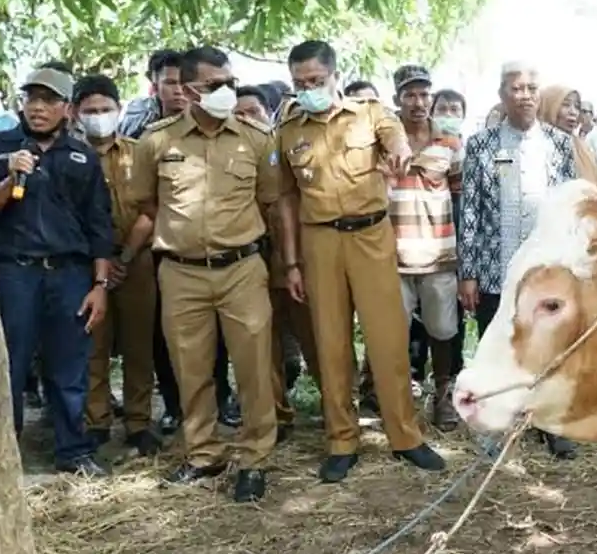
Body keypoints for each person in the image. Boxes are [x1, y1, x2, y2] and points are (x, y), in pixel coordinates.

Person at [277, 40, 444, 483]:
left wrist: (399, 153)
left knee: (387, 340)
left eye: (316, 80)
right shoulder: (290, 127)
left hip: (370, 236)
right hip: (319, 242)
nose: (308, 90)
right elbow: (287, 200)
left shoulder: (370, 114)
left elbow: (397, 139)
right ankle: (341, 440)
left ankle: (405, 437)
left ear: (334, 75)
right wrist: (292, 263)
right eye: (300, 83)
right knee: (331, 344)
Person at [132, 46, 280, 502]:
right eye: (215, 86)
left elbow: (269, 201)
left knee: (254, 366)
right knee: (189, 367)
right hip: (180, 272)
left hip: (241, 268)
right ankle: (203, 454)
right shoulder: (156, 141)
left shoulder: (256, 139)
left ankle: (255, 458)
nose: (226, 92)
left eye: (230, 84)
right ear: (189, 88)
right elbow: (146, 202)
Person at [0, 67, 113, 475]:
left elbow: (99, 223)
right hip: (15, 274)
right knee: (10, 365)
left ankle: (74, 451)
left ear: (66, 109)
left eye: (48, 100)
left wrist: (100, 283)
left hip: (69, 275)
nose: (37, 107)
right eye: (31, 98)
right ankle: (4, 455)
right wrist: (9, 179)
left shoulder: (82, 156)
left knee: (69, 365)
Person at [458, 61, 579, 458]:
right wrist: (469, 273)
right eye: (516, 88)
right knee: (497, 345)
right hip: (496, 268)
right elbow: (471, 211)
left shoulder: (560, 144)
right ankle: (495, 424)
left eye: (531, 87)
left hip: (546, 272)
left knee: (551, 345)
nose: (525, 94)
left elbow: (568, 208)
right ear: (502, 96)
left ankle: (550, 423)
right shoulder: (481, 145)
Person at [72, 75, 162, 455]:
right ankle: (97, 421)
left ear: (119, 109)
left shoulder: (139, 152)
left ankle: (140, 423)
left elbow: (152, 208)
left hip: (136, 261)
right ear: (76, 114)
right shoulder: (68, 155)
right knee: (93, 344)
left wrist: (123, 258)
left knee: (139, 344)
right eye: (90, 111)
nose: (98, 117)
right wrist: (102, 262)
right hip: (86, 266)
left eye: (105, 109)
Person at [235, 84, 318, 441]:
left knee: (316, 340)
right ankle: (277, 416)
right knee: (264, 349)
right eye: (236, 113)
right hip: (252, 267)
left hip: (296, 263)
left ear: (268, 114)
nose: (243, 119)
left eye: (251, 111)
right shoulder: (231, 157)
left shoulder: (285, 149)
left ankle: (337, 408)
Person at [385, 65, 464, 431]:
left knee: (443, 329)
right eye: (410, 95)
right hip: (391, 255)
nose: (418, 102)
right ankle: (397, 399)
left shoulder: (449, 140)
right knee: (393, 331)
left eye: (423, 94)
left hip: (438, 253)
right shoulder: (382, 139)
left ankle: (443, 393)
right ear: (397, 99)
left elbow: (460, 195)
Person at [538, 85, 597, 190]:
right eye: (566, 105)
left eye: (577, 107)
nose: (573, 112)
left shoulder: (584, 150)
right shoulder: (534, 145)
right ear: (548, 106)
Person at [118, 49, 186, 137]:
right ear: (155, 86)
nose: (179, 91)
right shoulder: (140, 113)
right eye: (170, 83)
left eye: (184, 82)